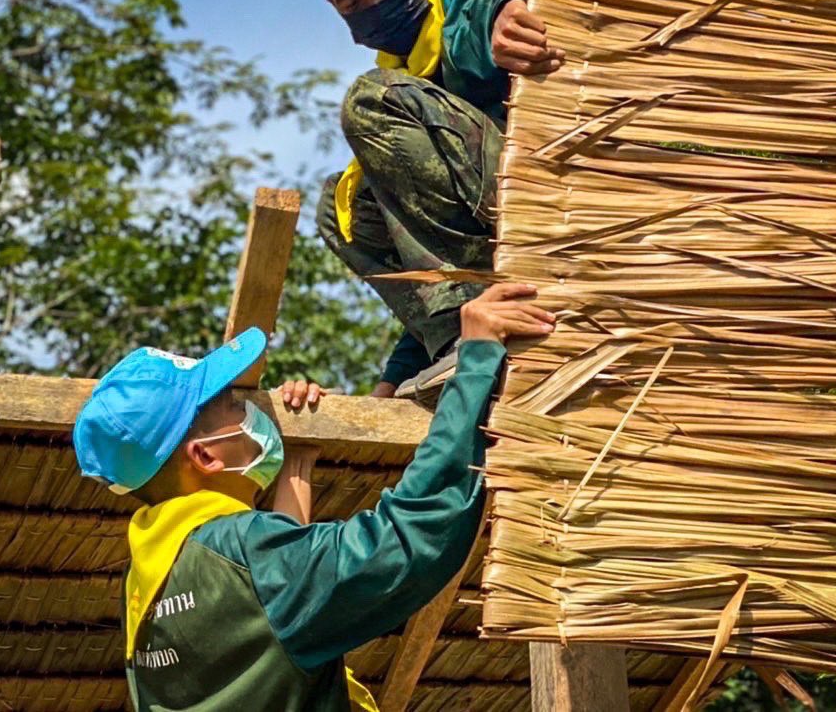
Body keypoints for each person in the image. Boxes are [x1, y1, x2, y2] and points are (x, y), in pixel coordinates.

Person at [72, 284, 555, 711]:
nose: (251, 411)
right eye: (235, 406)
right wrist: (475, 362)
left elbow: (273, 626)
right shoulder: (248, 557)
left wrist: (299, 456)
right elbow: (412, 532)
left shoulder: (147, 583)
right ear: (205, 456)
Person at [304, 0, 565, 398]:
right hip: (488, 247)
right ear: (335, 7)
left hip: (545, 198)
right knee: (341, 206)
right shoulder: (403, 79)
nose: (375, 7)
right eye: (353, 1)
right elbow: (437, 262)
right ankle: (451, 337)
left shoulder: (460, 26)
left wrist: (510, 10)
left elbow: (495, 1)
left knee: (368, 100)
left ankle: (460, 332)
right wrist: (390, 381)